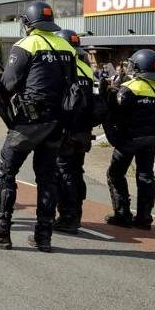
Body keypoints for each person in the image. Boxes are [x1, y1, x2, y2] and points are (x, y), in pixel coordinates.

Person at [0, 1, 76, 252]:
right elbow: (70, 84)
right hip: (57, 122)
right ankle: (43, 236)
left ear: (28, 22)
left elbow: (8, 84)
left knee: (4, 171)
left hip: (29, 123)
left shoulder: (26, 45)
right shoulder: (67, 47)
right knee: (47, 178)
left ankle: (0, 231)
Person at [104, 50, 155, 229]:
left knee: (115, 174)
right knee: (146, 176)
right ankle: (145, 218)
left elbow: (117, 111)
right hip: (151, 139)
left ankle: (123, 214)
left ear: (138, 66)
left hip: (129, 139)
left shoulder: (131, 87)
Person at [53, 29, 103, 234]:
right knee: (76, 171)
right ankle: (76, 213)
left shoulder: (61, 68)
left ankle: (68, 217)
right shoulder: (85, 68)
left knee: (63, 173)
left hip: (66, 130)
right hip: (83, 131)